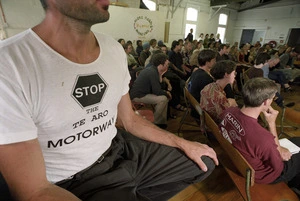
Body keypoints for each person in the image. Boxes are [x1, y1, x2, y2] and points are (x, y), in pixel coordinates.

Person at [0, 1, 218, 201]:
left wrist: (183, 142)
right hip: (74, 180)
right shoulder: (10, 64)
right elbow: (34, 190)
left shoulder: (112, 49)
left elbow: (128, 120)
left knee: (204, 162)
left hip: (121, 150)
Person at [219, 77, 300, 196]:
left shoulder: (228, 112)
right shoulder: (262, 137)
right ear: (266, 102)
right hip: (264, 175)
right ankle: (296, 188)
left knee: (296, 141)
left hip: (238, 158)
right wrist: (272, 124)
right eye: (272, 98)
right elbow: (278, 167)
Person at [188, 50, 237, 121]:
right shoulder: (205, 78)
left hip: (197, 107)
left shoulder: (198, 72)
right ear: (208, 62)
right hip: (200, 112)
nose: (215, 62)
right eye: (214, 60)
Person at [130, 53, 171, 128]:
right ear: (161, 65)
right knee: (163, 99)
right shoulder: (152, 72)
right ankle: (157, 124)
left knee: (164, 98)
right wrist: (166, 93)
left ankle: (161, 122)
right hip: (138, 96)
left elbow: (157, 89)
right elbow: (157, 91)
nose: (168, 65)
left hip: (142, 93)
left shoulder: (153, 69)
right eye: (167, 64)